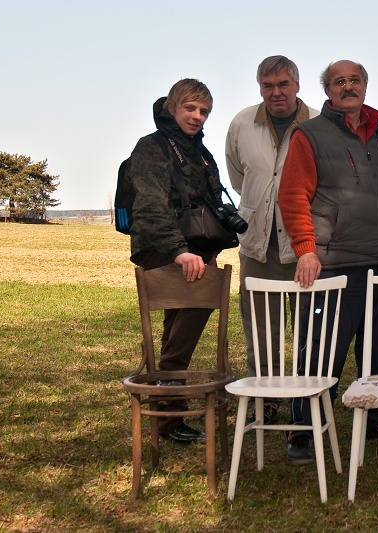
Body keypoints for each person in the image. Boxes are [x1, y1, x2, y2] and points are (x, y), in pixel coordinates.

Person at [278, 59, 378, 464]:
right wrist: (306, 248)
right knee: (321, 351)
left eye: (354, 80)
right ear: (328, 91)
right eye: (339, 81)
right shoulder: (310, 134)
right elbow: (292, 195)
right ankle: (303, 431)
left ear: (365, 87)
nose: (347, 86)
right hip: (336, 261)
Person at [128, 79, 228, 444]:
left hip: (196, 252)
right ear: (172, 107)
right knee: (185, 328)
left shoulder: (199, 152)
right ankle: (168, 396)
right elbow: (150, 206)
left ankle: (167, 414)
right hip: (165, 250)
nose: (197, 116)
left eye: (204, 111)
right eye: (190, 108)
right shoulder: (152, 148)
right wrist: (179, 250)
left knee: (181, 326)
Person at [225, 56, 317, 425]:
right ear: (260, 87)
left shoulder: (317, 123)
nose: (275, 92)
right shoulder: (242, 123)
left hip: (303, 245)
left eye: (283, 84)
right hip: (257, 243)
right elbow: (237, 174)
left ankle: (305, 399)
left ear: (297, 85)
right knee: (261, 328)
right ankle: (265, 400)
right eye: (268, 85)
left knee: (310, 327)